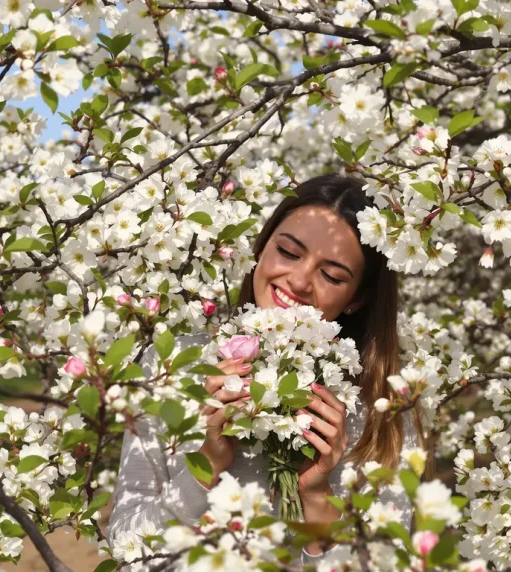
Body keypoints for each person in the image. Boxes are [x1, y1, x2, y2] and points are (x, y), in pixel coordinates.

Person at [107, 174, 426, 563]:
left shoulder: (385, 406)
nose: (298, 280)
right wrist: (205, 466)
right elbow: (127, 551)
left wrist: (316, 498)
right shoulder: (175, 364)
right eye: (289, 252)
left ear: (357, 298)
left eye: (331, 275)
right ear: (260, 247)